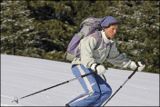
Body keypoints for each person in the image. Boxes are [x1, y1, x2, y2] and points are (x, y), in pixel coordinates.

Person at [66, 16, 145, 106]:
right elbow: (85, 55)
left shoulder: (110, 43)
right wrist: (94, 65)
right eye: (112, 29)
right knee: (94, 92)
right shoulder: (93, 38)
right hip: (80, 65)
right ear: (105, 28)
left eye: (116, 29)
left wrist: (132, 65)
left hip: (92, 69)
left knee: (106, 91)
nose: (115, 32)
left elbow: (116, 58)